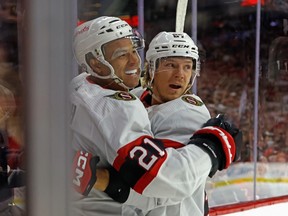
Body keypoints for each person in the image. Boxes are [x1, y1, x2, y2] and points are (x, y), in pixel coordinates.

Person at [71, 16, 241, 216]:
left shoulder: (188, 112)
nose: (180, 75)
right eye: (170, 65)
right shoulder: (126, 102)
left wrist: (107, 181)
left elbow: (172, 184)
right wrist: (211, 148)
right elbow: (168, 180)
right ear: (151, 68)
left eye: (187, 67)